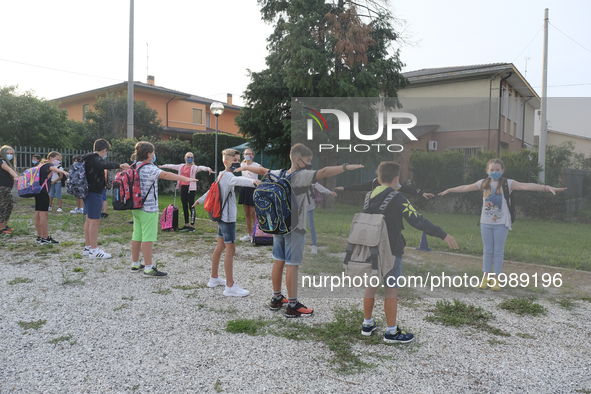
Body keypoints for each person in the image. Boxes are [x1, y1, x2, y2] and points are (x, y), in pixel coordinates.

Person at [239, 143, 364, 317]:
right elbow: (325, 171)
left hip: (278, 225)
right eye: (308, 159)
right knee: (293, 264)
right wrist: (346, 167)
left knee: (278, 261)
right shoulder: (303, 175)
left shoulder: (279, 173)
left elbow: (263, 171)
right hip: (295, 227)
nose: (310, 163)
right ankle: (292, 305)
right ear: (298, 160)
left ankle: (276, 298)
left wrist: (244, 166)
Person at [362, 162, 458, 343]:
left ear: (379, 178)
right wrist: (442, 234)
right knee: (391, 291)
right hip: (391, 250)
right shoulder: (398, 198)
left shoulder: (368, 195)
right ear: (396, 179)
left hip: (370, 248)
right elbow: (417, 220)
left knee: (371, 286)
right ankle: (391, 332)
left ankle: (367, 324)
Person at [439, 158, 566, 291]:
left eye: (497, 170)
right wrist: (450, 190)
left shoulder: (508, 183)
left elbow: (526, 185)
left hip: (501, 224)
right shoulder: (482, 183)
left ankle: (496, 279)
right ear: (487, 171)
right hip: (485, 223)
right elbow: (465, 187)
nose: (494, 172)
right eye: (492, 170)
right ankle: (485, 277)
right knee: (487, 251)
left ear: (502, 171)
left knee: (498, 251)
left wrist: (546, 187)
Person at [194, 148, 260, 296]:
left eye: (238, 160)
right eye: (234, 161)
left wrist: (199, 200)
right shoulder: (229, 176)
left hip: (220, 218)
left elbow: (211, 191)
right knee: (230, 250)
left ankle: (214, 278)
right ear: (226, 162)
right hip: (227, 219)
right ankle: (230, 286)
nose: (237, 163)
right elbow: (239, 180)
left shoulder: (221, 175)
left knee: (220, 247)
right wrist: (253, 181)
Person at [130, 142, 199, 277]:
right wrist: (186, 179)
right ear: (149, 154)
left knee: (137, 234)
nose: (154, 154)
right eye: (153, 152)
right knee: (147, 237)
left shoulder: (135, 166)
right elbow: (166, 175)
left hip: (136, 206)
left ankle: (135, 263)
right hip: (148, 208)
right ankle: (149, 268)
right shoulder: (150, 168)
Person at [81, 139, 130, 259]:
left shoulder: (87, 158)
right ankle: (94, 250)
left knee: (88, 220)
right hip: (94, 193)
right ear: (104, 150)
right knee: (95, 221)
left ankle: (88, 247)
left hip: (87, 192)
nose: (105, 154)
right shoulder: (95, 159)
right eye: (106, 152)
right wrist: (120, 165)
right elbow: (104, 164)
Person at [159, 152, 212, 232]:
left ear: (193, 159)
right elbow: (172, 166)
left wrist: (208, 169)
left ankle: (192, 226)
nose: (190, 158)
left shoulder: (194, 168)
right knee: (184, 205)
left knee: (191, 206)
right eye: (188, 157)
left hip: (191, 188)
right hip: (183, 187)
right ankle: (186, 224)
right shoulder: (181, 167)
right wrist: (162, 166)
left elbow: (201, 167)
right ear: (185, 158)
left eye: (191, 157)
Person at [33, 152, 69, 244]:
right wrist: (63, 172)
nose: (58, 161)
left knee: (37, 214)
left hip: (38, 191)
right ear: (51, 158)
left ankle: (40, 236)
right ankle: (45, 238)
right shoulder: (48, 165)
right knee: (43, 215)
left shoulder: (41, 165)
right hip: (44, 192)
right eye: (57, 159)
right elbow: (52, 168)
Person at [306, 182, 337, 254]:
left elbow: (319, 186)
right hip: (298, 206)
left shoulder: (310, 178)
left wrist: (329, 192)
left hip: (309, 206)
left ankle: (314, 246)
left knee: (311, 226)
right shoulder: (295, 177)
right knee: (296, 226)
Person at [335, 177, 435, 199]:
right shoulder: (375, 181)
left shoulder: (394, 183)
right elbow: (360, 187)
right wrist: (344, 188)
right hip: (375, 209)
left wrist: (421, 193)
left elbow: (406, 189)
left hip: (388, 210)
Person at [238, 148, 260, 242]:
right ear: (244, 155)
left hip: (253, 190)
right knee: (247, 213)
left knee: (253, 213)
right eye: (246, 154)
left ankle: (256, 234)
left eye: (250, 154)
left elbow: (263, 173)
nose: (248, 155)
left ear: (253, 155)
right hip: (244, 189)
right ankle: (249, 234)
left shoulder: (257, 165)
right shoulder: (241, 165)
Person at [0, 145, 19, 234]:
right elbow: (8, 170)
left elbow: (12, 173)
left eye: (11, 153)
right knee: (3, 207)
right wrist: (15, 175)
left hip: (7, 188)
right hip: (2, 188)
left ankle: (5, 226)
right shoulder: (2, 161)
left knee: (9, 206)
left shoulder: (10, 163)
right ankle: (1, 228)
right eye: (7, 153)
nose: (9, 155)